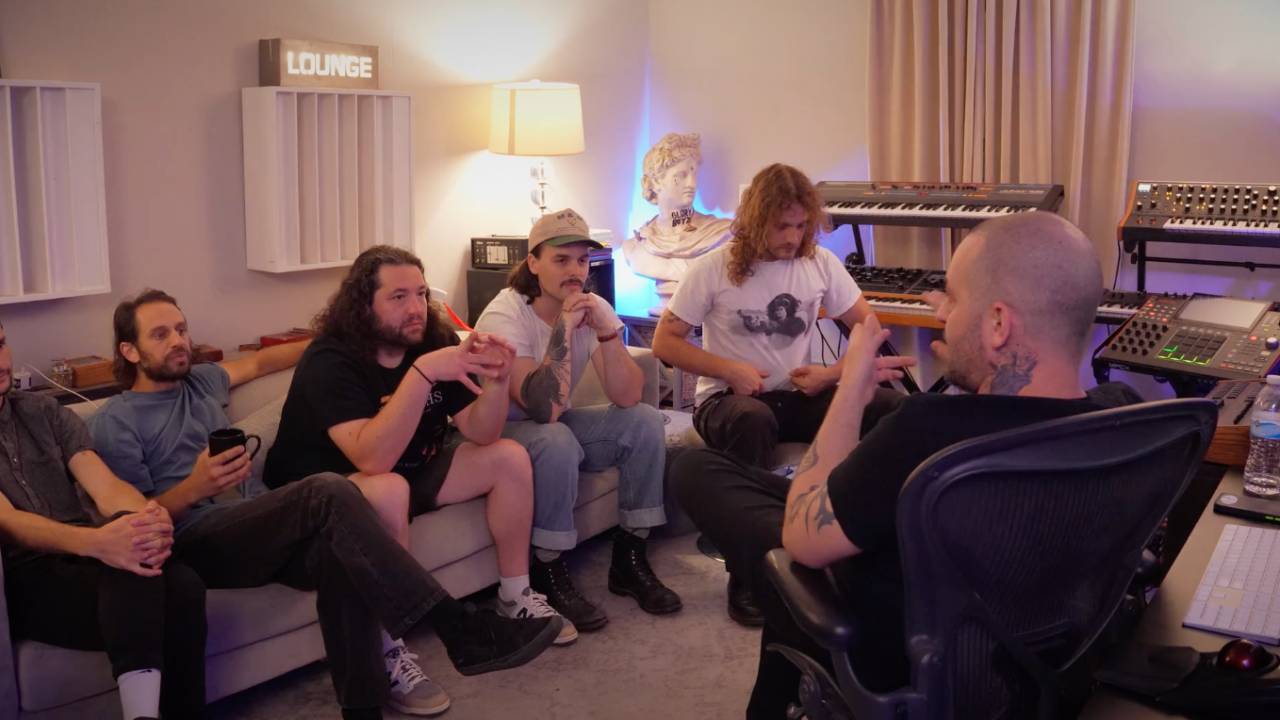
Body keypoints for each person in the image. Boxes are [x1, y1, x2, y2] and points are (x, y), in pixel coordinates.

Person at [671, 211, 1143, 718]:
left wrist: (850, 389)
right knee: (760, 489)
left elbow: (805, 541)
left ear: (998, 324)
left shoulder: (926, 431)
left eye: (953, 300)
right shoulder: (1124, 418)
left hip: (901, 650)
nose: (942, 315)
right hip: (1040, 652)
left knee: (696, 471)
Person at [90, 289, 562, 720]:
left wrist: (336, 338)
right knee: (329, 490)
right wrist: (195, 487)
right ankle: (457, 625)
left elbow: (261, 362)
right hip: (195, 541)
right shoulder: (116, 420)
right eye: (161, 334)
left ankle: (364, 709)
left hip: (256, 523)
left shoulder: (202, 381)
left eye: (181, 329)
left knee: (345, 556)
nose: (178, 341)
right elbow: (138, 521)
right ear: (130, 351)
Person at [265, 244, 575, 647]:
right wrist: (423, 372)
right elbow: (373, 459)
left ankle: (515, 596)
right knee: (390, 489)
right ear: (363, 305)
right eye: (398, 297)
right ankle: (386, 646)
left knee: (508, 457)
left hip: (412, 467)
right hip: (328, 488)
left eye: (421, 294)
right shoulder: (330, 360)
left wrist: (497, 383)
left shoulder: (433, 339)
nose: (416, 308)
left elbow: (482, 432)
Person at [652, 162, 905, 625]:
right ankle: (746, 572)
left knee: (891, 408)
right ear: (755, 220)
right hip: (727, 400)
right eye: (781, 226)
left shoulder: (819, 264)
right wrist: (729, 369)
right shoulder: (712, 269)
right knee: (752, 417)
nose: (792, 237)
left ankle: (859, 544)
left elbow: (868, 329)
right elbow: (664, 343)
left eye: (800, 226)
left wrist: (831, 375)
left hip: (799, 393)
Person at [474, 208, 681, 634]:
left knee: (644, 421)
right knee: (556, 437)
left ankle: (630, 557)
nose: (575, 271)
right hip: (499, 436)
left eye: (582, 261)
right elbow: (542, 409)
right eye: (561, 260)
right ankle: (548, 567)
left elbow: (627, 396)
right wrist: (564, 330)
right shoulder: (505, 316)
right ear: (533, 263)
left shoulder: (592, 305)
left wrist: (606, 331)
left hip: (554, 424)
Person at [0, 319, 204, 720]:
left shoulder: (44, 411)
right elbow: (9, 522)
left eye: (1, 343)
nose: (1, 360)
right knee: (143, 578)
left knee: (182, 583)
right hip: (25, 578)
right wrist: (99, 543)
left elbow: (105, 486)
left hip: (85, 559)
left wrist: (146, 518)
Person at [623, 132, 733, 316]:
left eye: (694, 174)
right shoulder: (634, 247)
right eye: (681, 175)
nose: (692, 183)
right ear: (656, 182)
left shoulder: (720, 233)